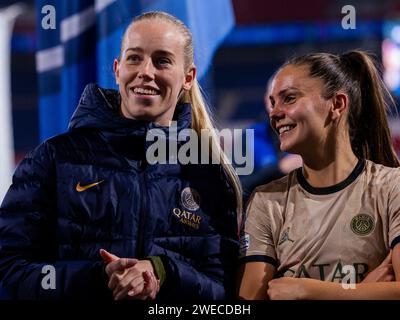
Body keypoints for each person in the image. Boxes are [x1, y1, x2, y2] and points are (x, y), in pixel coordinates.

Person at [0, 11, 242, 300]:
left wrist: (163, 272)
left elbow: (225, 292)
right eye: (134, 58)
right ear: (117, 69)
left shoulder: (208, 174)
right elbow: (9, 269)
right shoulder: (53, 158)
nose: (146, 71)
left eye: (162, 60)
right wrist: (98, 277)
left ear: (188, 77)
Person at [238, 50, 400, 299]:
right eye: (273, 103)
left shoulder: (391, 187)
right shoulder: (266, 201)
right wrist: (366, 290)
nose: (274, 113)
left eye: (289, 99)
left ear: (336, 104)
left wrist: (309, 290)